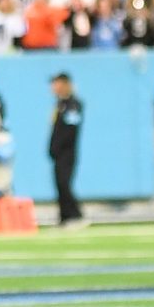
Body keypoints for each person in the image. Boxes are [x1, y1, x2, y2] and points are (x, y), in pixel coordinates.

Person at [47, 73, 84, 225]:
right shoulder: (60, 104)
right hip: (58, 153)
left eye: (56, 83)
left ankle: (75, 215)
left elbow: (70, 130)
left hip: (67, 152)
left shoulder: (72, 104)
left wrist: (58, 146)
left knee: (64, 183)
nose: (53, 87)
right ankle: (64, 216)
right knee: (59, 183)